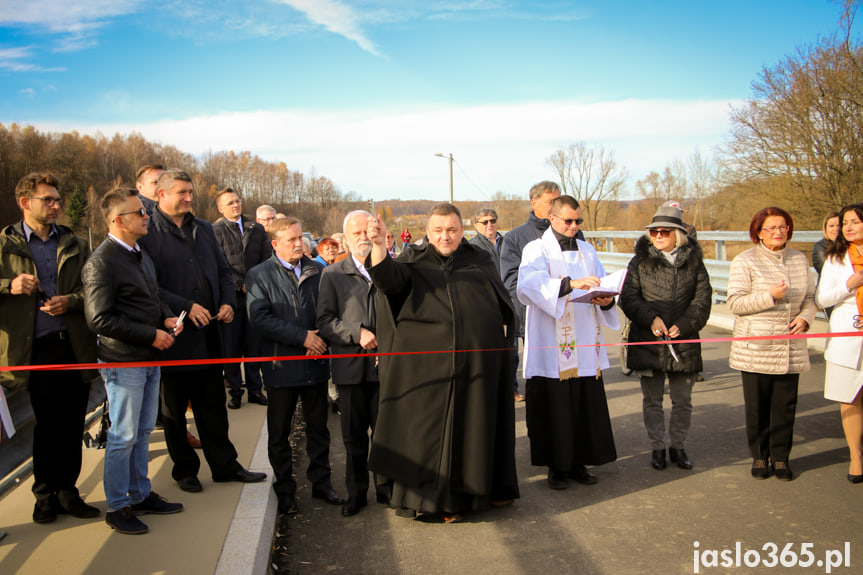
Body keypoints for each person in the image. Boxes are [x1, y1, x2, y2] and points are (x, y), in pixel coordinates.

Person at [366, 203, 519, 523]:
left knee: (473, 432)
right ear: (428, 231)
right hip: (427, 373)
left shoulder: (478, 259)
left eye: (451, 230)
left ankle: (480, 492)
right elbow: (387, 282)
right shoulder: (412, 259)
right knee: (431, 439)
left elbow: (501, 304)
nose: (445, 236)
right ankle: (437, 503)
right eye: (438, 230)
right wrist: (379, 246)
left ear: (462, 230)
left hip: (475, 369)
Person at [137, 169, 266, 492]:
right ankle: (185, 470)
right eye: (182, 192)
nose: (189, 198)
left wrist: (227, 302)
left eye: (190, 192)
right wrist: (184, 305)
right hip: (174, 337)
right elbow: (149, 286)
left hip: (210, 335)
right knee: (175, 410)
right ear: (162, 194)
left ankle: (224, 465)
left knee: (212, 406)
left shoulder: (204, 229)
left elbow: (223, 271)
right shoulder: (148, 233)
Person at [82, 188, 184, 534]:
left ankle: (140, 494)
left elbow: (152, 297)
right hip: (124, 360)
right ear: (117, 220)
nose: (146, 217)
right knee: (123, 434)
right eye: (139, 212)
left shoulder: (139, 254)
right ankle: (117, 506)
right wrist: (150, 334)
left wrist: (167, 318)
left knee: (141, 431)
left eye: (144, 211)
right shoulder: (101, 262)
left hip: (148, 357)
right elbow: (99, 319)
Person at [0, 172, 99, 524]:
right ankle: (44, 496)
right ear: (25, 203)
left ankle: (69, 492)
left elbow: (95, 291)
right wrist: (8, 285)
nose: (56, 205)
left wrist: (70, 301)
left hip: (72, 346)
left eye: (57, 199)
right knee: (46, 425)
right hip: (33, 351)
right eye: (48, 199)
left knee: (72, 423)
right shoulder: (4, 243)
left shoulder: (74, 242)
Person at [517, 195, 618, 489]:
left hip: (585, 340)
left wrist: (606, 299)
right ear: (553, 218)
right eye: (568, 221)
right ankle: (556, 467)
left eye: (578, 221)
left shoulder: (587, 250)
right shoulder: (536, 249)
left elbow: (602, 284)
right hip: (552, 343)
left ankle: (579, 463)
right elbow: (527, 285)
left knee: (584, 404)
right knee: (556, 407)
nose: (574, 226)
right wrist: (569, 284)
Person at [246, 217, 344, 515]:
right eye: (291, 240)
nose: (299, 244)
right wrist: (303, 337)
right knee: (279, 434)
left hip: (315, 366)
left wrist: (322, 338)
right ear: (275, 244)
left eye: (300, 238)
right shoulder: (259, 275)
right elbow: (259, 319)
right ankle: (285, 491)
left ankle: (322, 484)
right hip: (281, 367)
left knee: (319, 430)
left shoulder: (319, 271)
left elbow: (329, 311)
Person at [618, 204, 712, 471]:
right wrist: (651, 319)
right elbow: (629, 297)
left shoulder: (695, 263)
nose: (658, 236)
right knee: (652, 399)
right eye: (654, 232)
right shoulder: (638, 262)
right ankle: (657, 447)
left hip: (683, 341)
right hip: (649, 340)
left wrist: (683, 325)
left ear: (678, 235)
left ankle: (678, 446)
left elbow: (702, 301)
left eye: (664, 232)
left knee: (683, 400)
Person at [727, 207, 816, 481]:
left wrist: (805, 318)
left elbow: (812, 299)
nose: (778, 232)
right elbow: (735, 303)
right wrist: (770, 296)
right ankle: (759, 455)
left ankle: (780, 457)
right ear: (758, 233)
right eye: (771, 228)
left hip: (790, 346)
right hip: (756, 348)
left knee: (785, 406)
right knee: (757, 406)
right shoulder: (745, 261)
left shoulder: (800, 260)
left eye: (782, 227)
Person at [317, 210, 386, 517]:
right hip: (350, 369)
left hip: (386, 368)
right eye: (356, 233)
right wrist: (356, 332)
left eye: (367, 231)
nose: (363, 238)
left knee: (386, 435)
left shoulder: (388, 269)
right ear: (345, 238)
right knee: (353, 437)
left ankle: (387, 489)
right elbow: (325, 321)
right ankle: (356, 493)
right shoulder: (333, 275)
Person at [500, 181, 564, 402]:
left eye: (558, 201)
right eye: (550, 202)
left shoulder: (573, 233)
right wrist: (548, 292)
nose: (555, 206)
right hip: (532, 316)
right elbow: (512, 282)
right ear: (534, 202)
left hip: (567, 316)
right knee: (540, 375)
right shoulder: (516, 238)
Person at [816, 203, 863, 483]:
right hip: (848, 333)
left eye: (856, 221)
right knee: (850, 397)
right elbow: (822, 299)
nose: (848, 227)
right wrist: (850, 285)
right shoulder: (835, 258)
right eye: (845, 222)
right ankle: (856, 457)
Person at [212, 188, 271, 410]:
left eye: (237, 201)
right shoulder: (214, 231)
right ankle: (235, 392)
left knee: (254, 346)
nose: (236, 205)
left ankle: (256, 390)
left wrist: (255, 283)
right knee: (232, 348)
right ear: (221, 208)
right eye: (230, 203)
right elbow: (219, 265)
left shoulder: (256, 229)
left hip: (255, 297)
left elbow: (267, 258)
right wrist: (239, 284)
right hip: (230, 299)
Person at [813, 211, 841, 319]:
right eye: (831, 226)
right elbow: (826, 270)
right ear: (826, 228)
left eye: (839, 225)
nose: (835, 229)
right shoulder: (820, 247)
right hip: (831, 294)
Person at [469, 207, 503, 274]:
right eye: (485, 222)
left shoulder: (507, 242)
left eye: (492, 221)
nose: (489, 225)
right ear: (476, 225)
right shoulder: (471, 246)